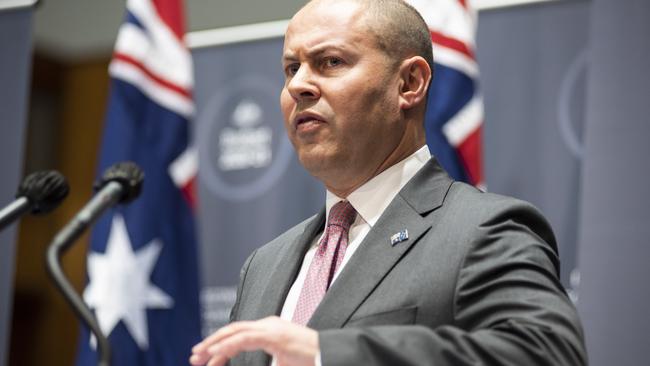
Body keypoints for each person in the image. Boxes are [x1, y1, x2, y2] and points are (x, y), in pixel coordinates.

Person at [190, 0, 587, 365]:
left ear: (410, 83)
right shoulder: (263, 266)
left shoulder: (482, 230)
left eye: (330, 61)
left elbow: (547, 352)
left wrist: (324, 353)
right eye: (292, 68)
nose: (298, 85)